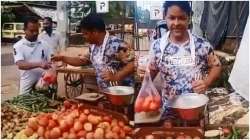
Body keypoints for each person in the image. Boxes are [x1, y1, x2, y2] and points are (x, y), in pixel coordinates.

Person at [146, 1, 222, 120]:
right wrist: (144, 74)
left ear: (188, 18)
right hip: (168, 112)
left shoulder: (201, 45)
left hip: (196, 111)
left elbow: (217, 66)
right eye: (171, 18)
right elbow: (150, 73)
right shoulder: (157, 46)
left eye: (181, 18)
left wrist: (206, 82)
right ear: (165, 17)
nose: (176, 23)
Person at [52, 14, 134, 89]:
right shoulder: (93, 47)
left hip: (123, 93)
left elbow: (133, 64)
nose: (84, 37)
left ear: (95, 32)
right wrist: (62, 58)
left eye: (85, 33)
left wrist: (117, 76)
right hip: (105, 93)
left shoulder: (117, 44)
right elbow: (82, 61)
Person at [13, 17, 52, 94]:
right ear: (24, 30)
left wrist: (53, 69)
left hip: (43, 81)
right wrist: (40, 64)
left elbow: (52, 59)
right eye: (32, 31)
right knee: (23, 103)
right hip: (27, 82)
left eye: (36, 30)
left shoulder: (44, 44)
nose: (35, 33)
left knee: (46, 102)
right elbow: (21, 65)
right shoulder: (18, 46)